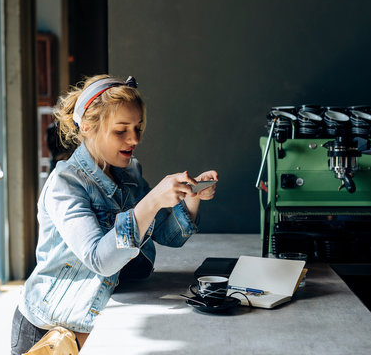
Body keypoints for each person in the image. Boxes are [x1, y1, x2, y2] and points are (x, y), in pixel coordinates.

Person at [11, 74, 218, 354]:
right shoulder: (65, 184)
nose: (134, 139)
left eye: (138, 128)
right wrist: (153, 200)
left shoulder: (130, 171)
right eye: (121, 130)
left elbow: (167, 235)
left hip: (97, 322)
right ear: (87, 127)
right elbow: (100, 259)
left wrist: (191, 200)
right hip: (48, 328)